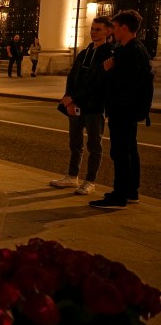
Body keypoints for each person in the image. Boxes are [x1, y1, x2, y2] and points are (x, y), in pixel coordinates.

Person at [90, 10, 152, 209]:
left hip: (122, 110)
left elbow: (123, 84)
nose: (113, 32)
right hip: (128, 110)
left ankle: (120, 196)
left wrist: (108, 72)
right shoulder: (136, 48)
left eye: (115, 28)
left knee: (121, 152)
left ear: (125, 28)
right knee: (130, 150)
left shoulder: (130, 52)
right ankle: (131, 191)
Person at [50, 17, 113, 196]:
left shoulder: (109, 53)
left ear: (108, 31)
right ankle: (72, 176)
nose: (94, 32)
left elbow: (96, 82)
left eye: (98, 29)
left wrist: (73, 98)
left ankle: (90, 180)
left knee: (94, 144)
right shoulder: (84, 52)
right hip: (76, 105)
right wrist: (68, 98)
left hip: (94, 107)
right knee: (75, 142)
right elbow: (73, 76)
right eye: (92, 29)